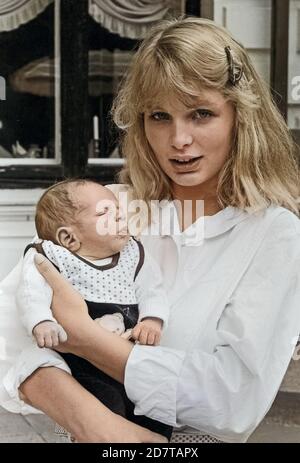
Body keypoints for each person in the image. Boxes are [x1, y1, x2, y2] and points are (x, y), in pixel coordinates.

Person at [0, 16, 300, 443]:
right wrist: (102, 426)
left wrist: (84, 338)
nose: (178, 138)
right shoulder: (110, 205)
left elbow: (229, 402)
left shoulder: (275, 234)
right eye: (160, 115)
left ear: (240, 117)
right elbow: (6, 341)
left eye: (201, 114)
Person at [16, 178, 172, 440]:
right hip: (79, 363)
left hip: (126, 351)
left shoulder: (132, 254)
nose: (120, 219)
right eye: (104, 214)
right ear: (69, 237)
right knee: (105, 405)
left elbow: (153, 289)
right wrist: (41, 321)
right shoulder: (52, 256)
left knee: (156, 408)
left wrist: (152, 319)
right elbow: (31, 291)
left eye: (119, 212)